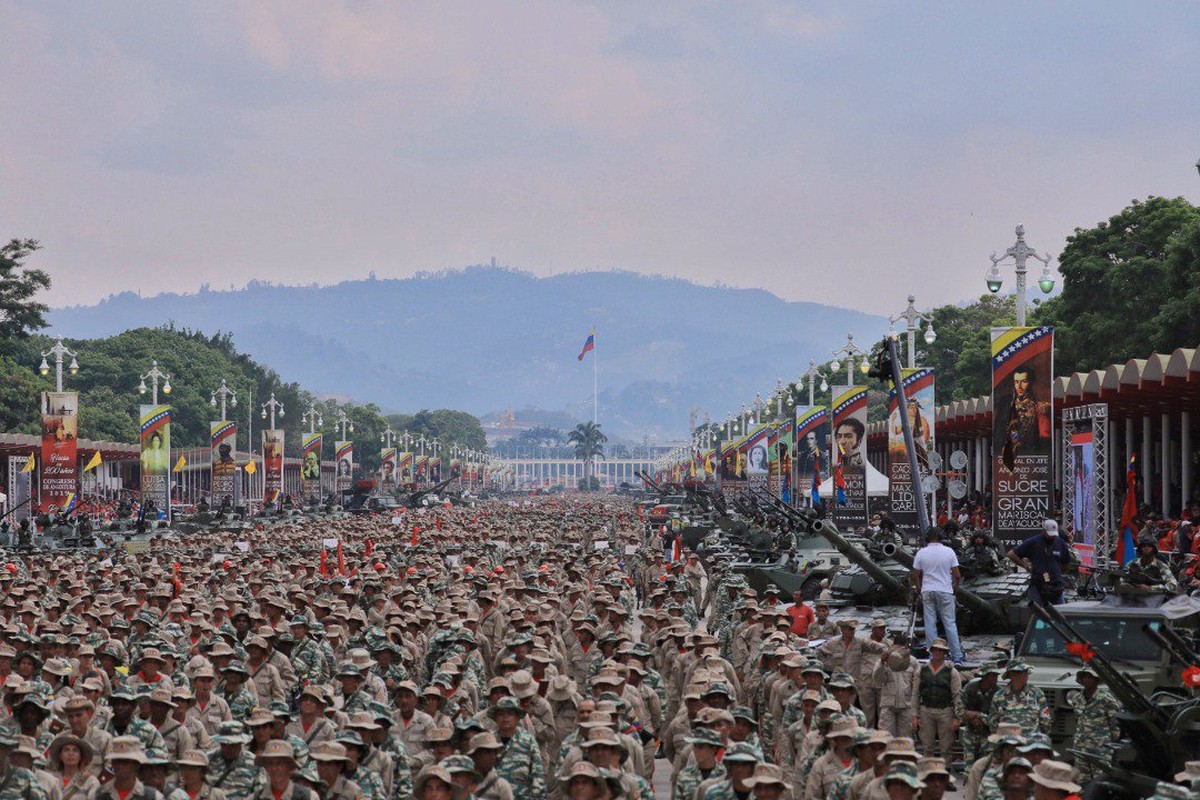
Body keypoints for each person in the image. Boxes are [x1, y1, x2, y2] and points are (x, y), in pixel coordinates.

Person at [911, 528, 964, 664]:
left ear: (927, 538)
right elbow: (957, 575)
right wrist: (955, 586)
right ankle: (957, 656)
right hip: (945, 590)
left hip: (927, 590)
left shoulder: (921, 552)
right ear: (941, 537)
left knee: (930, 624)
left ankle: (933, 656)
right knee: (950, 623)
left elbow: (915, 575)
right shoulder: (949, 551)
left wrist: (919, 588)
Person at [911, 639, 960, 758]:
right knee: (927, 746)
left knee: (946, 747)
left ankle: (946, 771)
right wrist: (914, 715)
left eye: (940, 650)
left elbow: (957, 695)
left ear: (944, 653)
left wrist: (957, 717)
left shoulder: (952, 672)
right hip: (926, 710)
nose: (937, 652)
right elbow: (915, 693)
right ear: (931, 651)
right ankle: (928, 770)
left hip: (945, 711)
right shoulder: (921, 670)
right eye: (935, 650)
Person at [1007, 520, 1071, 606]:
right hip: (1038, 585)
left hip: (1056, 585)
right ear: (1044, 530)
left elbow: (1066, 563)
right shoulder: (1034, 542)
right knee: (1037, 613)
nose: (1052, 537)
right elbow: (1011, 554)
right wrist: (1025, 566)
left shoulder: (1061, 543)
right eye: (1050, 534)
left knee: (1060, 613)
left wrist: (1057, 571)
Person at [999, 365, 1051, 471]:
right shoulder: (1006, 406)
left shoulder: (1040, 407)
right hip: (1009, 457)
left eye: (1024, 381)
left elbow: (1045, 436)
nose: (1019, 386)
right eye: (1016, 382)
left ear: (1031, 383)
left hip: (1032, 458)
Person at [46, 735, 99, 800]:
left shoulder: (90, 781)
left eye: (75, 750)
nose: (71, 753)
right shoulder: (50, 778)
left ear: (80, 756)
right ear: (60, 755)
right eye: (66, 750)